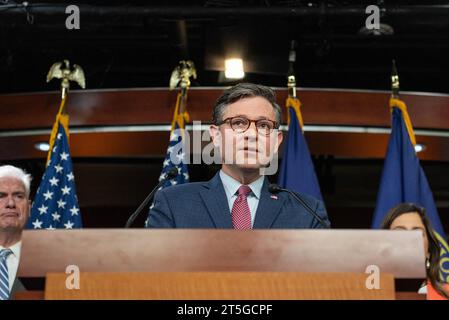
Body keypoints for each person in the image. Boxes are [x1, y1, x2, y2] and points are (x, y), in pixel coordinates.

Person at [148, 83, 330, 229]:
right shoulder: (173, 203)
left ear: (276, 141)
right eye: (239, 123)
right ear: (216, 136)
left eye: (264, 126)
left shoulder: (308, 212)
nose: (251, 134)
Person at [381, 203, 449, 299]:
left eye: (417, 233)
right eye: (399, 232)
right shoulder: (365, 292)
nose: (410, 239)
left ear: (428, 251)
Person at [0, 165, 31, 300]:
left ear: (29, 207)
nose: (11, 203)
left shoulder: (48, 261)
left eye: (19, 196)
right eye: (1, 195)